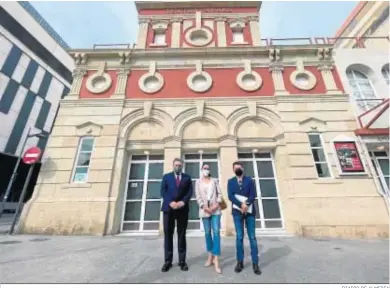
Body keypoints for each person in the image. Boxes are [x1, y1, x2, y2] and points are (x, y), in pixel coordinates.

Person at [227, 161, 261, 275]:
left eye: (239, 167)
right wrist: (241, 205)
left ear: (242, 168)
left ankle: (255, 263)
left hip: (250, 212)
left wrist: (246, 204)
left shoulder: (250, 180)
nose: (238, 169)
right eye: (235, 168)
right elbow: (230, 196)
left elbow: (253, 195)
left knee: (252, 237)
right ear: (233, 170)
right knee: (239, 237)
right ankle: (240, 262)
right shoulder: (230, 182)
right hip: (237, 212)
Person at [160, 158, 193, 272]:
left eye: (179, 165)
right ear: (173, 165)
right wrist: (171, 202)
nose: (178, 167)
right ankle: (167, 261)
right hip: (169, 209)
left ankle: (182, 261)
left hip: (182, 209)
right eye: (176, 165)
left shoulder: (187, 178)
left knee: (181, 235)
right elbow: (163, 191)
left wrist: (182, 202)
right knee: (168, 235)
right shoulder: (166, 177)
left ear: (182, 166)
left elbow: (190, 192)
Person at [195, 163, 223, 274]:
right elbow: (197, 196)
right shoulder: (198, 182)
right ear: (201, 170)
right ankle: (210, 256)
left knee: (216, 232)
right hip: (205, 210)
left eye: (208, 168)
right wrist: (204, 207)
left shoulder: (214, 180)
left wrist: (216, 205)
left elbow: (220, 194)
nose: (206, 170)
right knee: (207, 233)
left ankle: (216, 259)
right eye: (204, 168)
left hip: (216, 210)